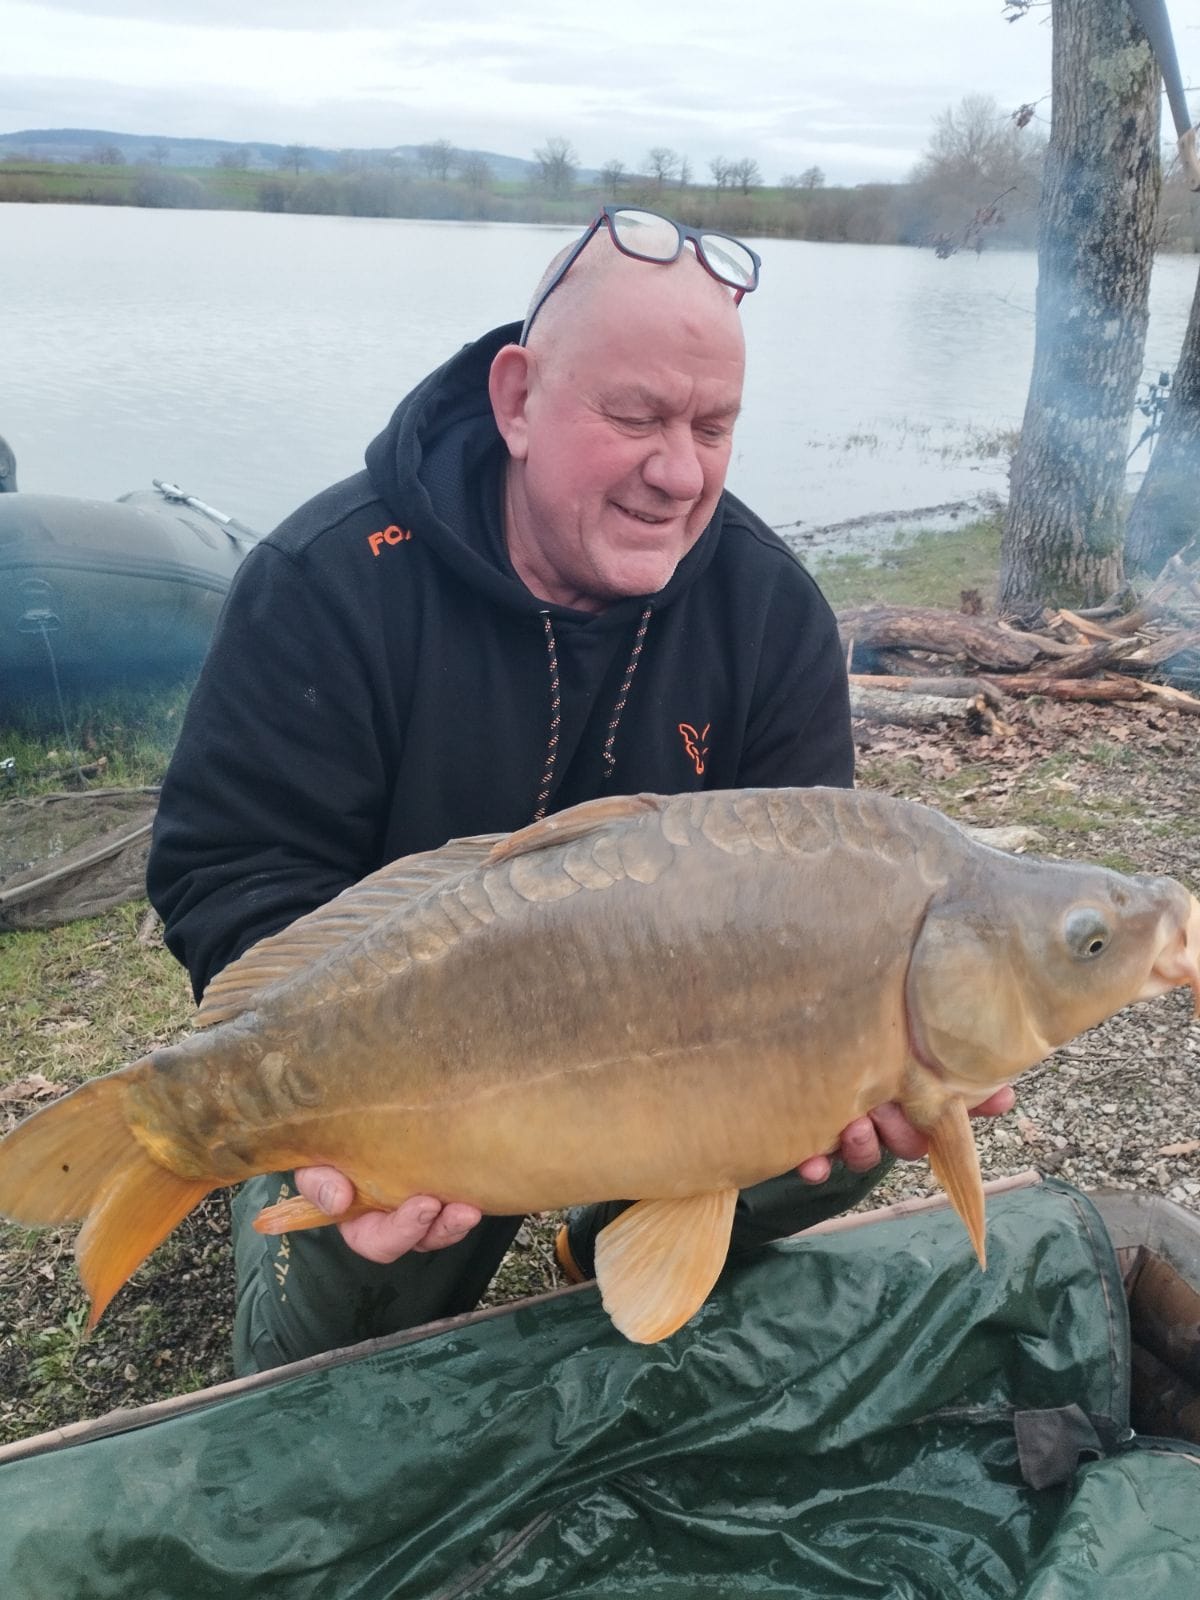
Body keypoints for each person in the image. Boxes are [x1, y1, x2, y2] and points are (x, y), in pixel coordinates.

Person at [148, 206, 1011, 1375]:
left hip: (678, 1064)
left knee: (865, 1092)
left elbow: (831, 906)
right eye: (637, 416)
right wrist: (338, 1073)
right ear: (517, 400)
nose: (679, 471)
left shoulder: (770, 615)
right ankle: (303, 1272)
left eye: (713, 426)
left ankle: (610, 1245)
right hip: (412, 1074)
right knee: (345, 1339)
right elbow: (228, 865)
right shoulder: (330, 581)